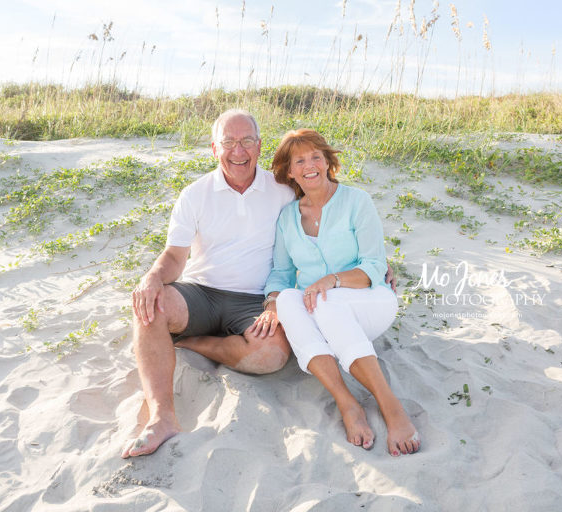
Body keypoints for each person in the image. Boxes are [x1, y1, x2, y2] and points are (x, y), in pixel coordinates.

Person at [121, 109, 296, 458]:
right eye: (228, 142)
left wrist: (376, 265)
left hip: (255, 300)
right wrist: (153, 277)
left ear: (260, 146)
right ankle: (162, 418)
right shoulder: (195, 194)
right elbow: (174, 256)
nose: (238, 151)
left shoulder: (283, 190)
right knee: (150, 306)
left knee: (271, 356)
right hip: (200, 293)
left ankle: (193, 342)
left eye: (247, 141)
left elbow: (327, 217)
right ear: (214, 149)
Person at [252, 129, 421, 456]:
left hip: (370, 300)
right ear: (290, 172)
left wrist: (333, 279)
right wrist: (272, 304)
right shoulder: (287, 218)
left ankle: (391, 407)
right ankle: (348, 404)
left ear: (329, 161)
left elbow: (375, 265)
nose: (309, 165)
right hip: (319, 308)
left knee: (325, 303)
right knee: (288, 298)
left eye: (317, 156)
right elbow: (282, 273)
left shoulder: (357, 201)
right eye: (299, 160)